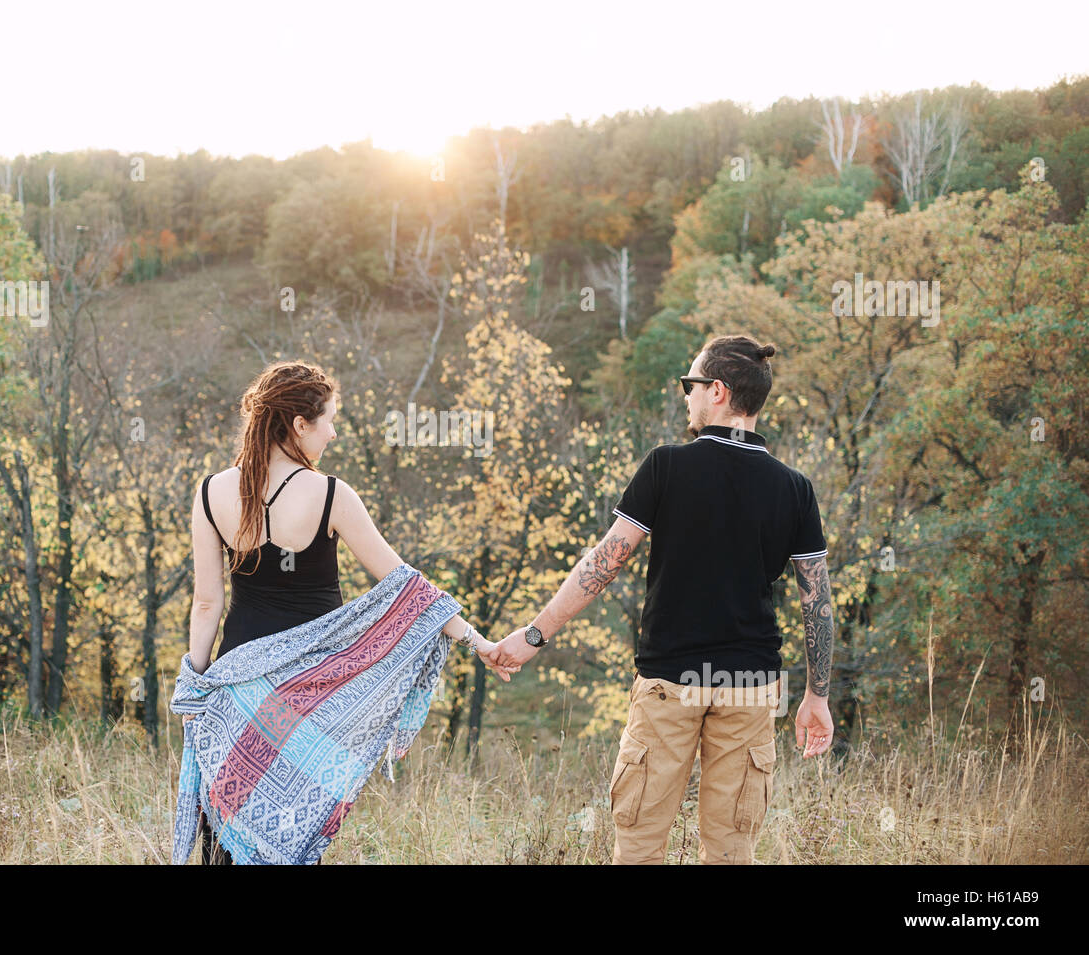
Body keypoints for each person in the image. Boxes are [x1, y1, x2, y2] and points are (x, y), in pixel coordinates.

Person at [491, 334, 835, 865]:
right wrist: (817, 695)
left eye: (690, 384)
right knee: (731, 850)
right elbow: (818, 600)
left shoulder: (667, 466)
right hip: (749, 684)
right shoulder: (795, 488)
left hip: (671, 680)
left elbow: (603, 564)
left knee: (639, 842)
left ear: (717, 391)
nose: (686, 396)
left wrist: (535, 635)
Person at [183, 360, 515, 864]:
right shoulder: (331, 494)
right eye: (329, 420)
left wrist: (197, 683)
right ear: (299, 425)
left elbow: (207, 603)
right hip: (309, 696)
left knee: (226, 833)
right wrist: (478, 641)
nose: (333, 433)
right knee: (290, 833)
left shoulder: (212, 492)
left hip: (236, 686)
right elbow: (406, 585)